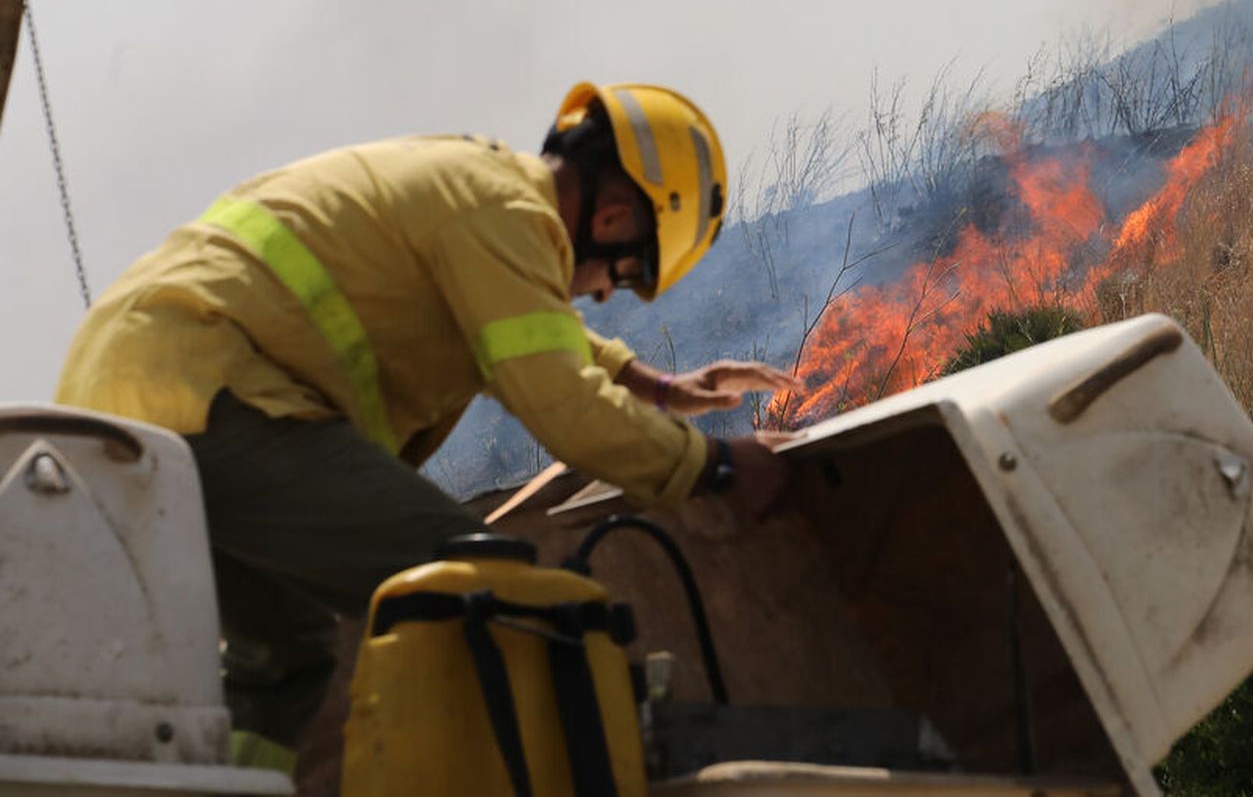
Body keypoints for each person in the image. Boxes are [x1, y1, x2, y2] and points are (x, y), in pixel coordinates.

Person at [54, 82, 799, 774]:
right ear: (612, 223)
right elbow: (560, 401)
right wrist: (719, 465)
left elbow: (530, 321)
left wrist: (653, 383)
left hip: (140, 387)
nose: (604, 296)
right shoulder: (507, 213)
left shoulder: (481, 192)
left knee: (286, 652)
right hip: (207, 391)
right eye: (626, 275)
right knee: (476, 585)